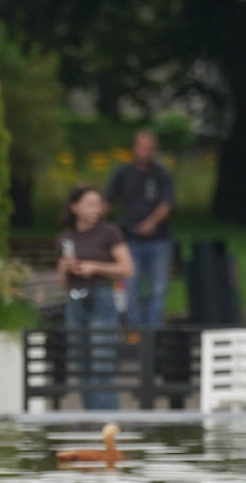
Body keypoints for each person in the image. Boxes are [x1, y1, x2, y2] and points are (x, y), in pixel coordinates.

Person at [58, 184, 134, 410]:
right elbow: (64, 283)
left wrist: (95, 267)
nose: (95, 209)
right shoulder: (65, 238)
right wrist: (65, 267)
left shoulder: (109, 232)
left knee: (102, 363)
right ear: (74, 207)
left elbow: (127, 268)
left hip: (101, 299)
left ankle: (109, 421)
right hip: (75, 300)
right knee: (81, 365)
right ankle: (90, 418)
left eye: (98, 205)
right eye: (89, 204)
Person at [105, 131, 175, 328]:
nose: (146, 152)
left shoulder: (163, 175)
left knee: (158, 289)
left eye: (149, 148)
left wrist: (151, 223)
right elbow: (108, 199)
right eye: (142, 148)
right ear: (134, 149)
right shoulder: (123, 173)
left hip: (159, 240)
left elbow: (167, 204)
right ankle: (135, 330)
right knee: (131, 286)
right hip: (130, 240)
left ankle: (154, 330)